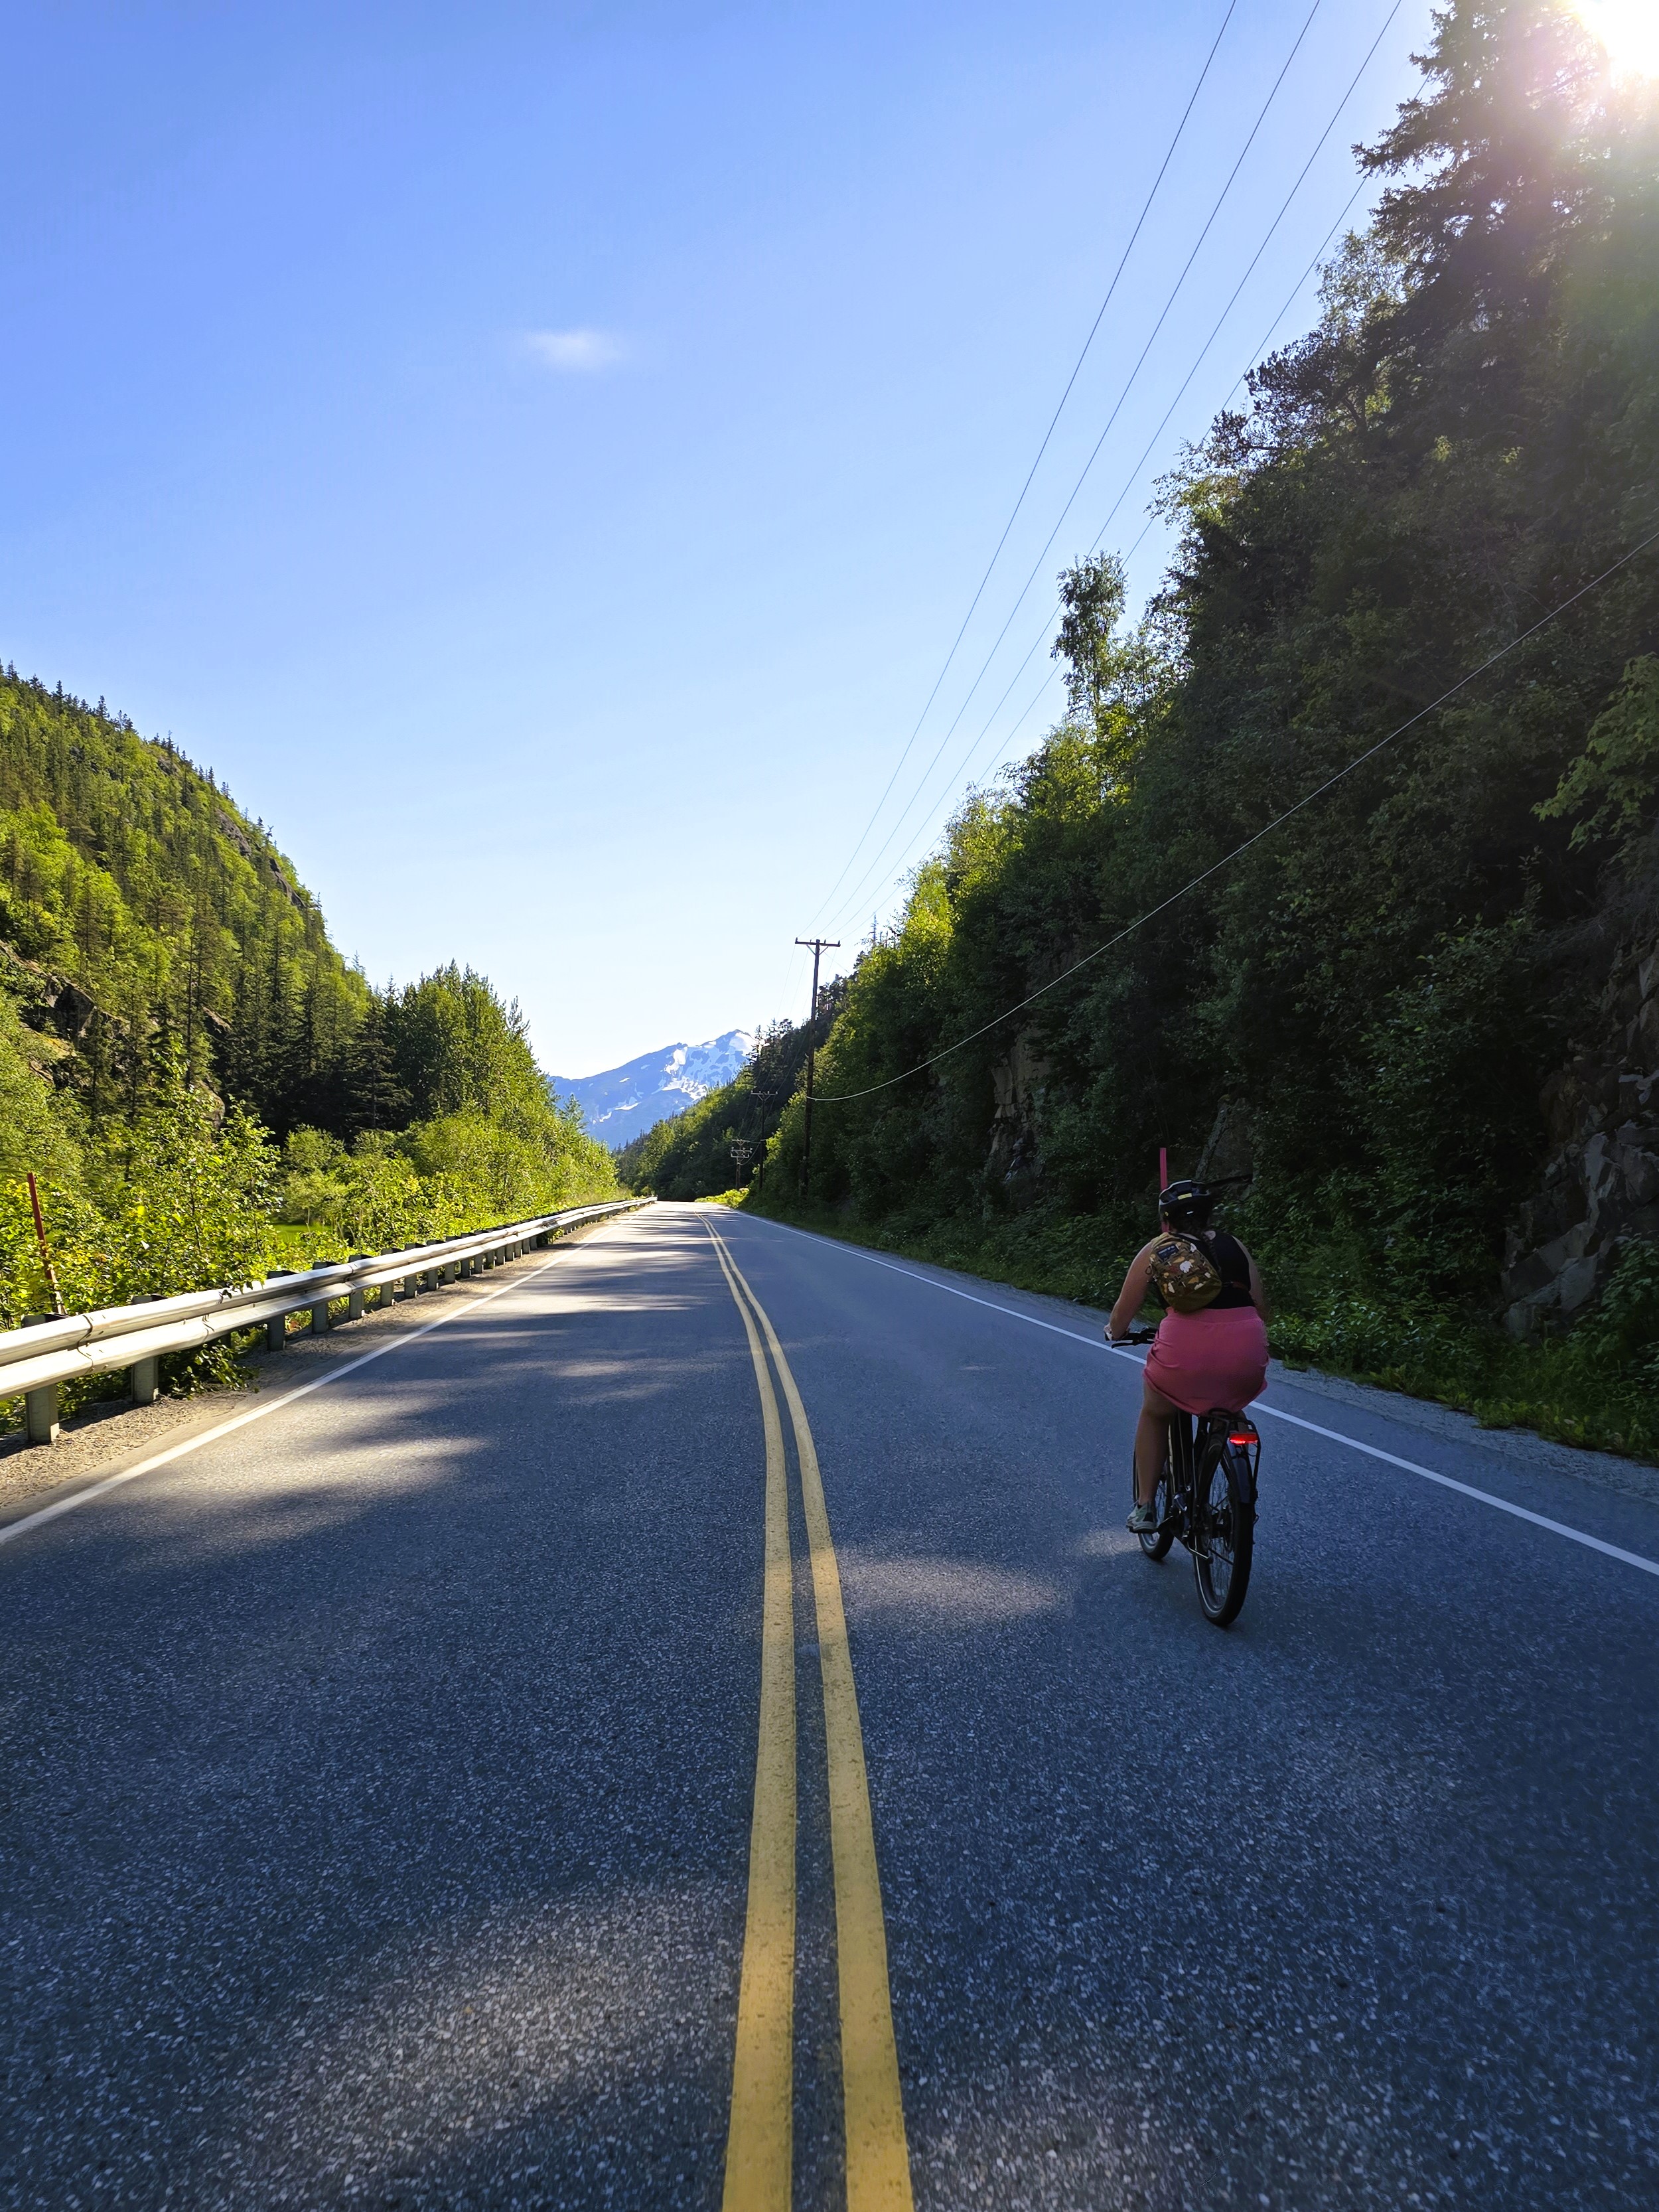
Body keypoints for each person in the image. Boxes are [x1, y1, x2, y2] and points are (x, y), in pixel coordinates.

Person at [1107, 1180, 1270, 1534]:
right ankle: (1242, 1501)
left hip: (1185, 1352)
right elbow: (1261, 1308)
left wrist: (1115, 1332)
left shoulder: (1159, 1249)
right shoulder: (1235, 1246)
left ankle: (1146, 1507)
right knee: (1230, 1407)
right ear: (1210, 1214)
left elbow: (1123, 1313)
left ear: (1167, 1221)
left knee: (1156, 1411)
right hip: (1247, 1349)